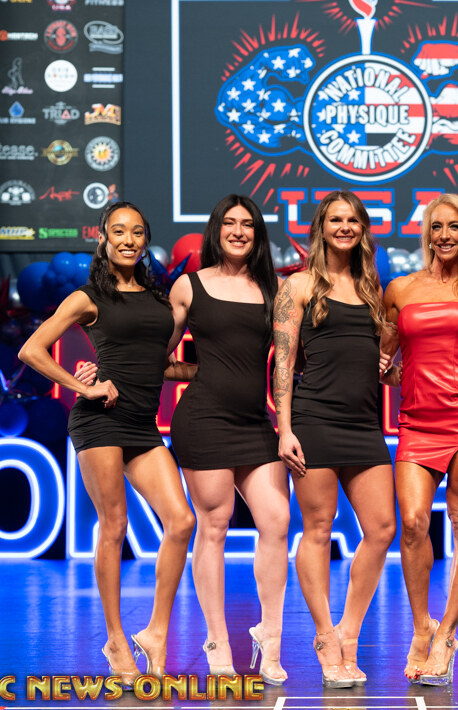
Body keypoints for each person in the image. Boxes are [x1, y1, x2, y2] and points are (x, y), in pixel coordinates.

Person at [18, 202, 195, 684]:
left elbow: (156, 365)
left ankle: (155, 632)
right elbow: (31, 350)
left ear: (145, 240)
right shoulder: (87, 297)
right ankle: (116, 640)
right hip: (100, 422)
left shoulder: (157, 299)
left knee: (181, 521)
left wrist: (202, 372)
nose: (128, 240)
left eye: (137, 232)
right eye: (119, 231)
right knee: (114, 526)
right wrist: (84, 388)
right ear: (103, 238)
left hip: (141, 424)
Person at [272, 190, 396, 688]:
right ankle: (325, 636)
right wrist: (285, 428)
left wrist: (385, 364)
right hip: (315, 420)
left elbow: (380, 360)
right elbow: (283, 363)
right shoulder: (299, 285)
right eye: (335, 219)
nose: (345, 227)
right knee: (318, 529)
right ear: (321, 227)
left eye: (353, 220)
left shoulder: (371, 288)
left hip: (364, 424)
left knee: (382, 528)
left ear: (363, 229)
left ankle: (349, 630)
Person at [167, 195, 289, 683]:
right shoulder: (189, 286)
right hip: (204, 421)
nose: (239, 231)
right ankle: (217, 641)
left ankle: (270, 638)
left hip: (256, 423)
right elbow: (157, 357)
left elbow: (290, 358)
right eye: (230, 223)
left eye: (248, 224)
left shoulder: (272, 288)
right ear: (216, 230)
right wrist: (196, 372)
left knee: (277, 520)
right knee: (214, 525)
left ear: (257, 234)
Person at [382, 193, 458, 685]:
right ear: (427, 233)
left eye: (454, 227)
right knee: (412, 523)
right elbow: (384, 360)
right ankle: (420, 627)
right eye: (437, 226)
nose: (445, 235)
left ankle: (447, 633)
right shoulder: (400, 289)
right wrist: (396, 373)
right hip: (416, 421)